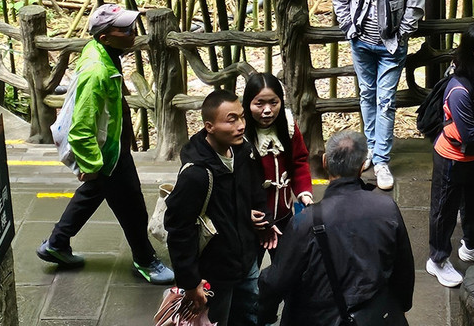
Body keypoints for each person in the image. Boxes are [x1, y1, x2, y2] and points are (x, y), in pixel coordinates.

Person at [37, 3, 174, 284]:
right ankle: (145, 260)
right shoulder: (97, 71)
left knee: (93, 193)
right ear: (105, 37)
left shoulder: (102, 52)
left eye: (131, 26)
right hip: (107, 152)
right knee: (132, 207)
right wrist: (91, 164)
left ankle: (56, 243)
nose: (132, 32)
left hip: (111, 145)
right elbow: (81, 127)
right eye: (125, 29)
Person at [257, 130, 414, 326]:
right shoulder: (387, 208)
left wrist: (265, 313)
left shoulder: (306, 221)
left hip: (319, 318)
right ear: (362, 166)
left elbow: (276, 281)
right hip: (373, 315)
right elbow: (403, 269)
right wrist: (399, 307)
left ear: (324, 161)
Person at [332, 0, 425, 191]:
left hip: (390, 45)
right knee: (367, 95)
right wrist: (349, 28)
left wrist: (402, 33)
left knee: (385, 100)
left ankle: (382, 160)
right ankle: (371, 148)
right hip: (360, 42)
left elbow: (416, 2)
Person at [165, 89, 275, 326]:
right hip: (215, 272)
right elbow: (179, 229)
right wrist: (190, 283)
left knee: (250, 317)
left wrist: (262, 217)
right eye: (231, 120)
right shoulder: (196, 174)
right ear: (210, 127)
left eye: (242, 116)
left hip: (246, 261)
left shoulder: (244, 152)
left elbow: (256, 192)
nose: (241, 125)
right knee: (216, 320)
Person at [426, 22, 474, 288]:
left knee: (473, 204)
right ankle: (437, 260)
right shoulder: (459, 90)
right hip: (452, 158)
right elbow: (468, 134)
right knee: (444, 210)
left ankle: (472, 246)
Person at [241, 72, 314, 239]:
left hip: (284, 215)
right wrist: (245, 211)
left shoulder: (288, 126)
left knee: (287, 255)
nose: (267, 110)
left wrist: (304, 192)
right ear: (248, 103)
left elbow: (299, 162)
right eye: (259, 104)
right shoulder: (239, 133)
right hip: (254, 219)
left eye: (273, 103)